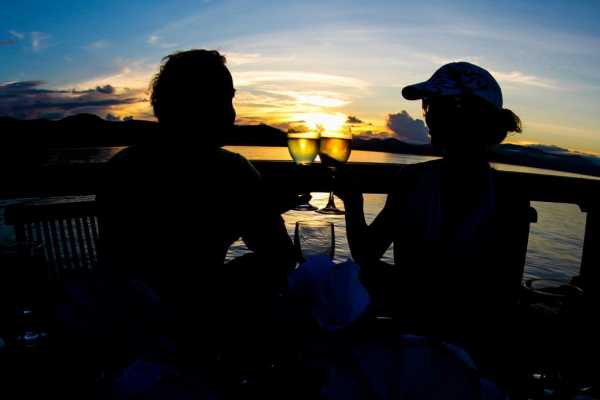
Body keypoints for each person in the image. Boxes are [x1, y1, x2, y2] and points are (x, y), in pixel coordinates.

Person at [95, 50, 296, 371]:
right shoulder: (232, 172)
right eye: (223, 100)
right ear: (192, 105)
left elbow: (114, 267)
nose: (232, 114)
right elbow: (280, 257)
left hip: (129, 334)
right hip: (184, 337)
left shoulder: (123, 166)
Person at [337, 62, 531, 394]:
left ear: (461, 117)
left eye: (431, 107)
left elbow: (367, 256)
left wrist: (353, 204)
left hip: (433, 350)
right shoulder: (509, 196)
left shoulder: (414, 181)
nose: (426, 116)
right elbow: (503, 297)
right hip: (467, 354)